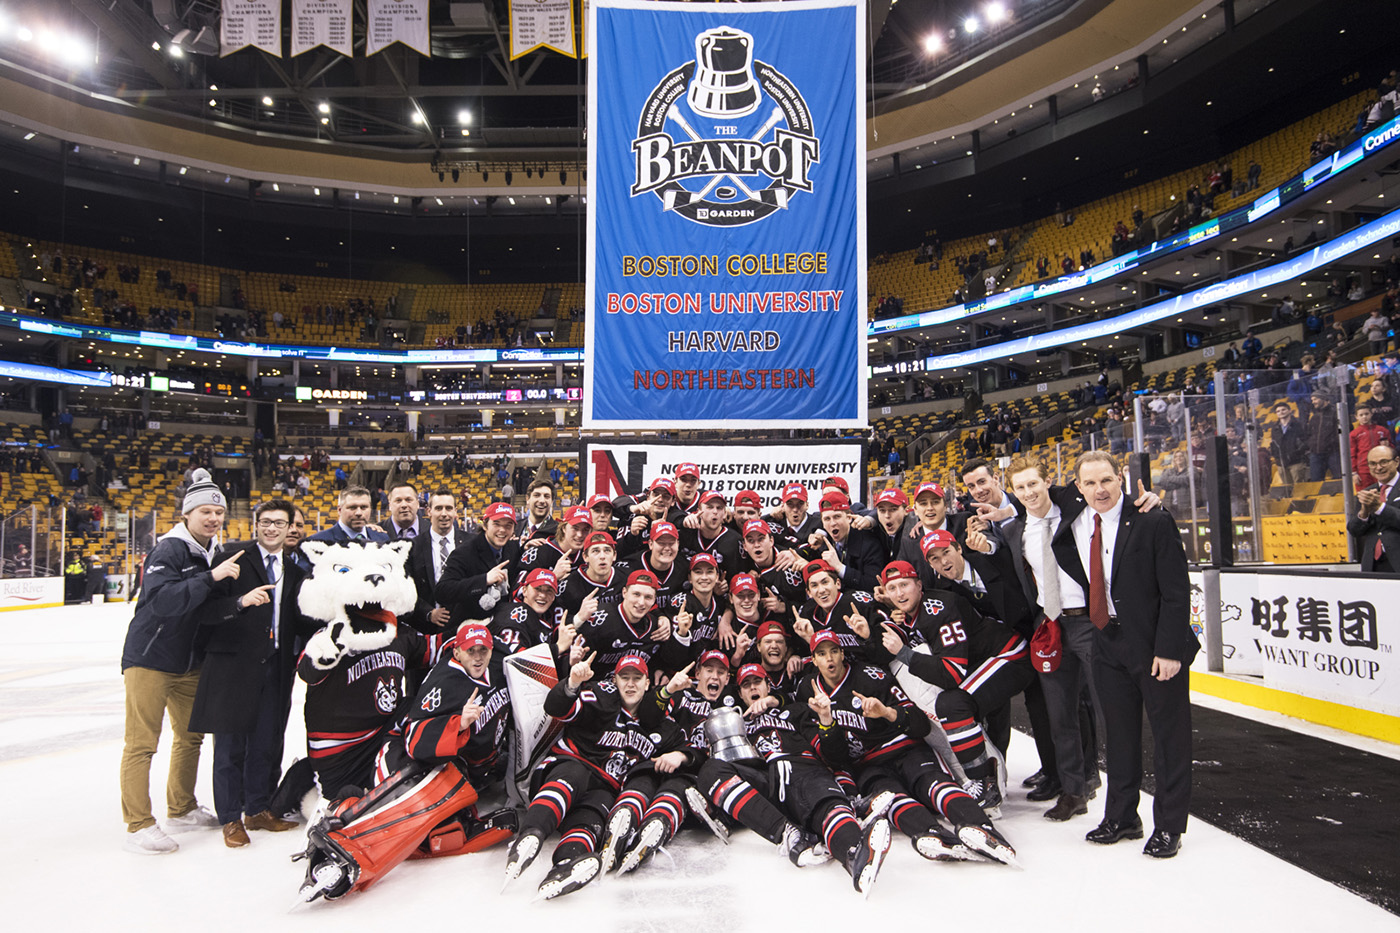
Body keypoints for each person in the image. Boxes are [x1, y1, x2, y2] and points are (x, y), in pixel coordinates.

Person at [1052, 452, 1196, 858]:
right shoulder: (1075, 517)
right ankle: (1122, 817)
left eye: (1107, 481)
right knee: (1119, 734)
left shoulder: (1152, 518)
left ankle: (1169, 825)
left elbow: (1176, 591)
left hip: (1154, 644)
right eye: (1090, 483)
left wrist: (1169, 650)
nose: (1100, 490)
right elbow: (1028, 496)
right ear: (1077, 488)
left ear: (1121, 480)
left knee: (1170, 737)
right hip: (1107, 639)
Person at [119, 469, 235, 854]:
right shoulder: (169, 549)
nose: (213, 518)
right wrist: (211, 578)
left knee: (190, 737)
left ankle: (181, 807)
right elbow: (164, 601)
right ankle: (138, 825)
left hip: (188, 662)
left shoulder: (211, 550)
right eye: (205, 511)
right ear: (187, 514)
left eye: (218, 512)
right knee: (142, 743)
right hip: (151, 659)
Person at [188, 498, 309, 848]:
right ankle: (230, 818)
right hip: (233, 665)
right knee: (229, 746)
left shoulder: (296, 570)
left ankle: (256, 808)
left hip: (275, 666)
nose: (271, 528)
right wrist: (240, 603)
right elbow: (206, 611)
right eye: (265, 522)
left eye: (279, 523)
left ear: (290, 529)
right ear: (256, 525)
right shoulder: (233, 556)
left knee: (266, 742)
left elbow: (298, 620)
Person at [406, 487, 472, 633]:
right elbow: (408, 589)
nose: (444, 514)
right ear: (429, 511)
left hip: (465, 625)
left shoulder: (472, 543)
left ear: (455, 511)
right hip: (426, 628)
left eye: (448, 508)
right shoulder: (413, 547)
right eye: (438, 508)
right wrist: (428, 613)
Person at [1347, 444, 1400, 573]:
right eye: (1372, 464)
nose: (1378, 468)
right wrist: (1364, 513)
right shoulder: (1367, 492)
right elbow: (1354, 531)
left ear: (1396, 462)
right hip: (1372, 566)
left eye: (1384, 462)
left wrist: (1379, 507)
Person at [305, 486, 388, 545]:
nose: (358, 513)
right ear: (339, 510)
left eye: (363, 507)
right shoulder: (317, 542)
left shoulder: (383, 539)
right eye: (352, 507)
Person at [1351, 406, 1393, 488]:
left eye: (1366, 414)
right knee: (1366, 496)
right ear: (1356, 417)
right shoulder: (1354, 434)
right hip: (1364, 470)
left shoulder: (1382, 430)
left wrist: (1388, 446)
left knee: (1384, 494)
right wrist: (1354, 473)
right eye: (1361, 415)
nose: (1364, 417)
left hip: (1382, 468)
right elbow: (1352, 454)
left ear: (1371, 414)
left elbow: (1392, 450)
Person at [1270, 402, 1309, 487]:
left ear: (1289, 411)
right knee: (1287, 488)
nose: (1281, 412)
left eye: (1283, 409)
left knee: (1299, 489)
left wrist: (1298, 452)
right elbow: (1274, 444)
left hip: (1296, 462)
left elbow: (1305, 442)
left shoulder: (1299, 425)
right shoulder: (1275, 428)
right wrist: (1277, 457)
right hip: (1282, 464)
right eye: (1278, 411)